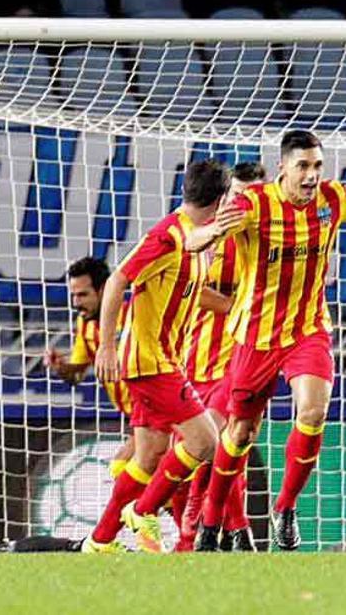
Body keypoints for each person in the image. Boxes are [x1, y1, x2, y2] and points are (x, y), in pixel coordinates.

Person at [188, 130, 346, 550]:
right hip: (256, 336)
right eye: (303, 167)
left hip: (308, 329)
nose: (311, 175)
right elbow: (195, 241)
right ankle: (211, 519)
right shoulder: (253, 204)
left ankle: (285, 508)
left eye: (317, 166)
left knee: (312, 411)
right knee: (239, 432)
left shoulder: (333, 198)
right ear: (283, 169)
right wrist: (208, 233)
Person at [82, 160, 231, 554]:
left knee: (149, 456)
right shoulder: (167, 236)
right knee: (206, 442)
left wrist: (236, 308)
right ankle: (145, 510)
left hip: (163, 360)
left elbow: (191, 292)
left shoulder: (197, 240)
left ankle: (100, 542)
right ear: (221, 199)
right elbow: (118, 280)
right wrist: (108, 346)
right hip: (150, 362)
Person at [178, 161, 265, 552]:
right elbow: (187, 288)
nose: (246, 201)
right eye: (239, 194)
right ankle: (205, 529)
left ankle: (221, 532)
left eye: (255, 193)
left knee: (235, 446)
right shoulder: (211, 236)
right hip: (200, 356)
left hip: (248, 355)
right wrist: (237, 304)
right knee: (210, 449)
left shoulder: (275, 234)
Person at [44, 257, 135, 477]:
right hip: (135, 417)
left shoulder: (135, 312)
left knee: (122, 469)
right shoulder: (84, 324)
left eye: (83, 294)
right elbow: (76, 375)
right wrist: (61, 368)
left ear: (104, 289)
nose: (76, 302)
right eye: (73, 295)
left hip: (160, 410)